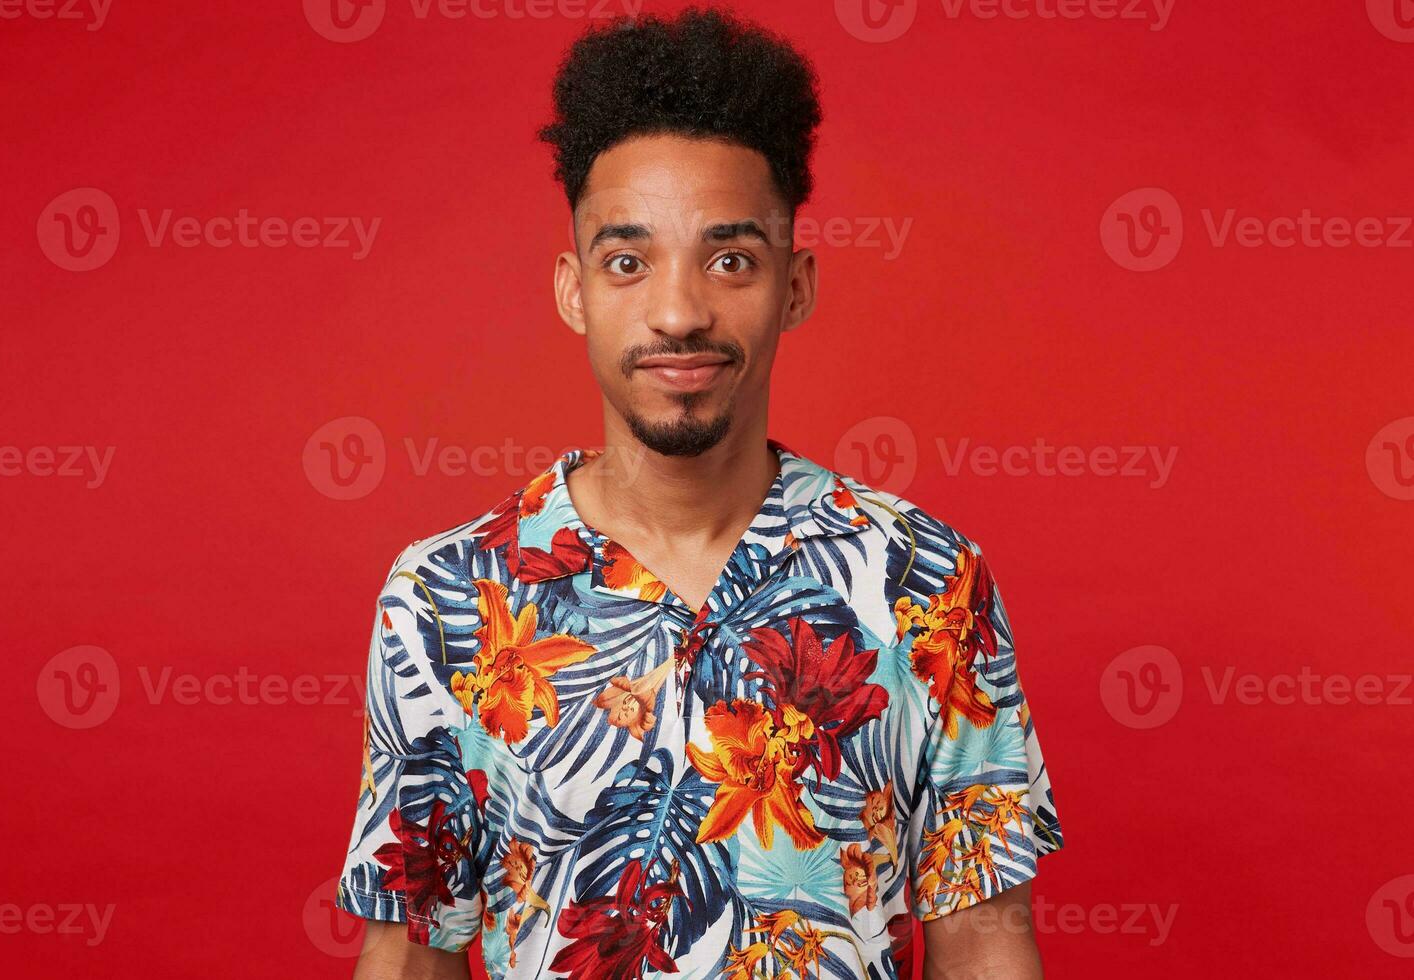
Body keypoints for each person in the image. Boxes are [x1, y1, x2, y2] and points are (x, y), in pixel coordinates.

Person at [334, 8, 1062, 978]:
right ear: (574, 290)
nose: (679, 312)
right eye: (627, 262)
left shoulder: (923, 578)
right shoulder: (448, 597)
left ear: (794, 285)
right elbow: (412, 952)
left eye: (731, 259)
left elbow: (984, 939)